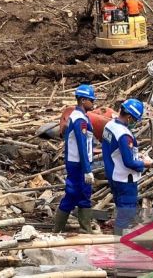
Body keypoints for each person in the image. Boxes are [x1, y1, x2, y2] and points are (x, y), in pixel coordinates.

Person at [102, 99, 153, 235]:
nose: (135, 123)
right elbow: (129, 162)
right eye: (135, 120)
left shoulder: (110, 125)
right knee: (126, 212)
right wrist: (144, 163)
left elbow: (115, 151)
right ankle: (120, 242)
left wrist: (136, 155)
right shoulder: (124, 134)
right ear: (130, 117)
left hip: (113, 173)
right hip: (125, 178)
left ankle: (120, 237)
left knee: (121, 209)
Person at [54, 84, 97, 233]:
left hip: (79, 162)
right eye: (91, 100)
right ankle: (57, 230)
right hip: (78, 164)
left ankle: (86, 230)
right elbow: (81, 145)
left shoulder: (80, 116)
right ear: (83, 100)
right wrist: (86, 169)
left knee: (84, 195)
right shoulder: (80, 119)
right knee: (73, 194)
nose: (93, 102)